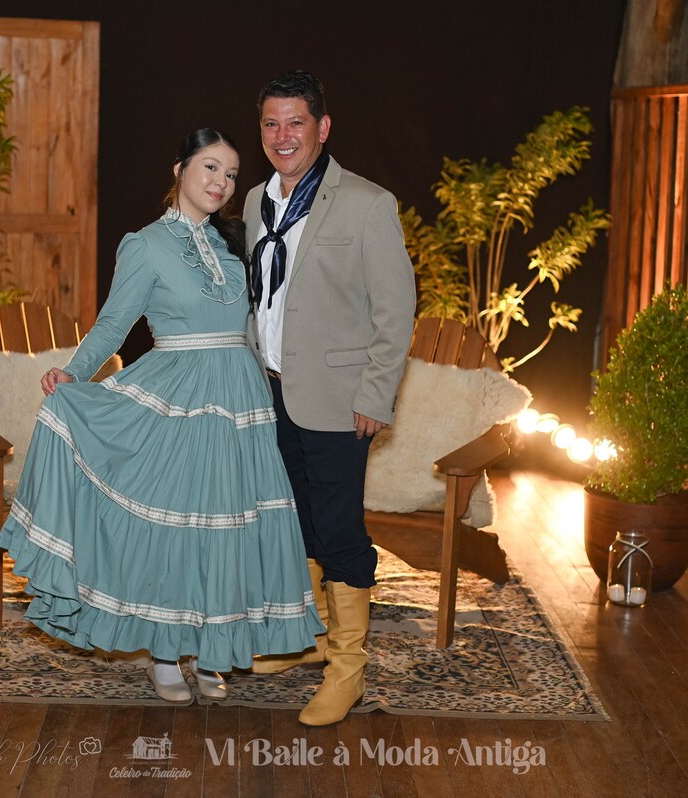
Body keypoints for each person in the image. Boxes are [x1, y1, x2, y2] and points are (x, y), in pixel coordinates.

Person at [0, 128, 325, 705]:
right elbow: (113, 323)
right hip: (179, 399)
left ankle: (214, 648)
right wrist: (74, 373)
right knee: (175, 529)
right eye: (210, 167)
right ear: (180, 169)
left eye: (230, 173)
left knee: (228, 529)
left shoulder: (233, 243)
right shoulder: (145, 245)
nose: (221, 182)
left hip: (241, 400)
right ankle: (166, 654)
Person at [243, 71, 416, 726]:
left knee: (340, 532)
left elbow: (395, 311)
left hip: (341, 403)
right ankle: (310, 640)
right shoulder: (256, 200)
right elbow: (258, 300)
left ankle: (348, 670)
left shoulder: (368, 203)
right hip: (271, 394)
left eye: (296, 122)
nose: (283, 135)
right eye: (271, 123)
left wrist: (376, 394)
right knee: (294, 524)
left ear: (323, 127)